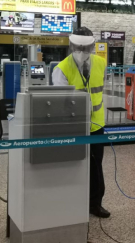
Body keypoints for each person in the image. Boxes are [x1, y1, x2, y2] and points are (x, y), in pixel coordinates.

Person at [52, 27, 110, 218]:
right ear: (71, 46)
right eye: (78, 47)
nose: (82, 52)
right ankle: (71, 202)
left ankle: (95, 203)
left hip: (96, 126)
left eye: (86, 48)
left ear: (93, 46)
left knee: (96, 166)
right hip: (74, 126)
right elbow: (61, 103)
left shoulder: (101, 63)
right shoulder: (61, 69)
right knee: (72, 166)